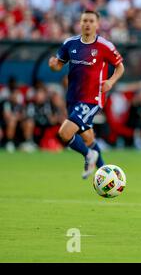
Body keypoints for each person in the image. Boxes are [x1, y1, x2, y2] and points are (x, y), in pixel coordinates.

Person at [48, 10, 125, 178]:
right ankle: (106, 174)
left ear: (97, 24)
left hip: (92, 99)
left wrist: (110, 82)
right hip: (73, 98)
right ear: (80, 23)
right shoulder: (70, 43)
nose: (87, 24)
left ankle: (89, 156)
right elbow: (58, 66)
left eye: (91, 21)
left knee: (65, 133)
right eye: (84, 21)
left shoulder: (104, 45)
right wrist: (53, 65)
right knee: (89, 138)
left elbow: (120, 67)